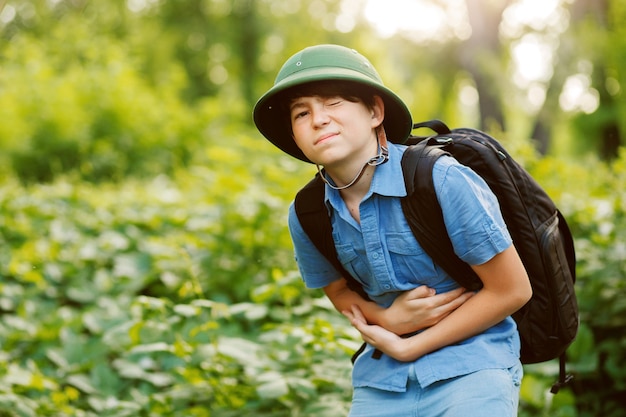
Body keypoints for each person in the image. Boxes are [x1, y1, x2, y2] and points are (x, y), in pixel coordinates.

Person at [253, 44, 532, 417]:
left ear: (374, 111)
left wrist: (411, 345)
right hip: (382, 379)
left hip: (473, 365)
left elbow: (512, 289)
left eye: (334, 103)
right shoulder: (307, 213)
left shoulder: (440, 180)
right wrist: (384, 319)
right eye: (302, 112)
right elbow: (336, 289)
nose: (318, 119)